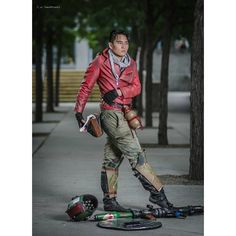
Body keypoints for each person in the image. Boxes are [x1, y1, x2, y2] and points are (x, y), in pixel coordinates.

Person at [74, 29, 174, 211]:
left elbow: (137, 87)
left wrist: (120, 92)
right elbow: (86, 87)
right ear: (111, 45)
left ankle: (110, 201)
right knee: (137, 156)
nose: (123, 46)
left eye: (126, 43)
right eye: (119, 42)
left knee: (112, 158)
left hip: (126, 113)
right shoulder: (100, 62)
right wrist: (78, 112)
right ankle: (158, 195)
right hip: (111, 114)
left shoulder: (131, 63)